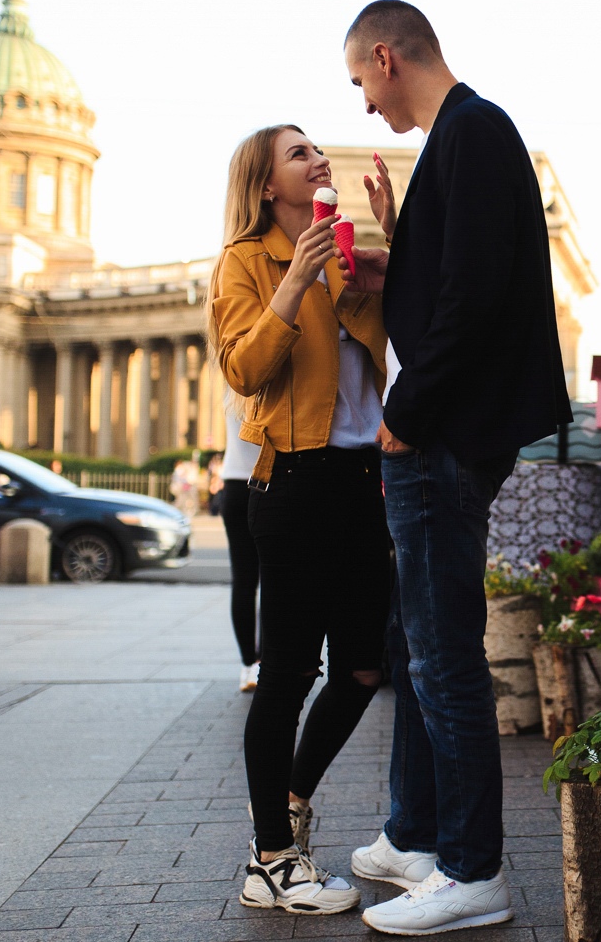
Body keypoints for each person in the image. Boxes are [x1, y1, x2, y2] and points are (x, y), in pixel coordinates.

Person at [341, 0, 571, 935]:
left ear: (387, 57)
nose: (362, 105)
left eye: (360, 81)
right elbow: (451, 278)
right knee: (416, 646)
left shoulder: (472, 130)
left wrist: (404, 410)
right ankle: (414, 832)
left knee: (442, 657)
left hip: (439, 436)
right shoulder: (461, 138)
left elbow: (472, 295)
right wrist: (402, 244)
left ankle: (473, 871)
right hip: (441, 431)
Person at [209, 123, 394, 916]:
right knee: (287, 674)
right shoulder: (246, 262)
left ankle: (284, 808)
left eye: (317, 148)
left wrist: (392, 251)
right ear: (265, 186)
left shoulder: (348, 254)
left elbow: (396, 353)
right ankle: (272, 860)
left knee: (361, 667)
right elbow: (244, 367)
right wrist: (297, 283)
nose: (319, 158)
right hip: (290, 483)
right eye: (299, 153)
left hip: (361, 481)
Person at [219, 393, 262, 693]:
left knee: (244, 582)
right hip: (269, 480)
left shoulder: (232, 379)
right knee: (274, 580)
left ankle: (249, 664)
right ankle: (267, 663)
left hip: (233, 483)